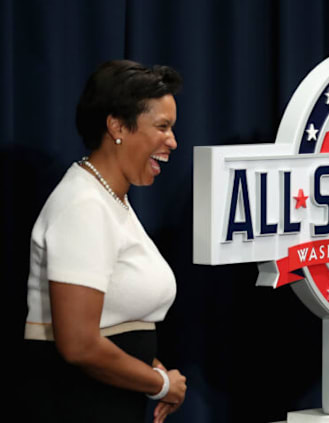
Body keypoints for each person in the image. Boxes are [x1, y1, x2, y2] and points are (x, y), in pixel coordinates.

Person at [23, 60, 187, 423]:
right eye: (162, 127)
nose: (173, 141)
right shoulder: (83, 205)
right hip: (76, 406)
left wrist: (150, 369)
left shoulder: (110, 200)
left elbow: (114, 322)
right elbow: (79, 345)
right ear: (117, 126)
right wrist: (160, 384)